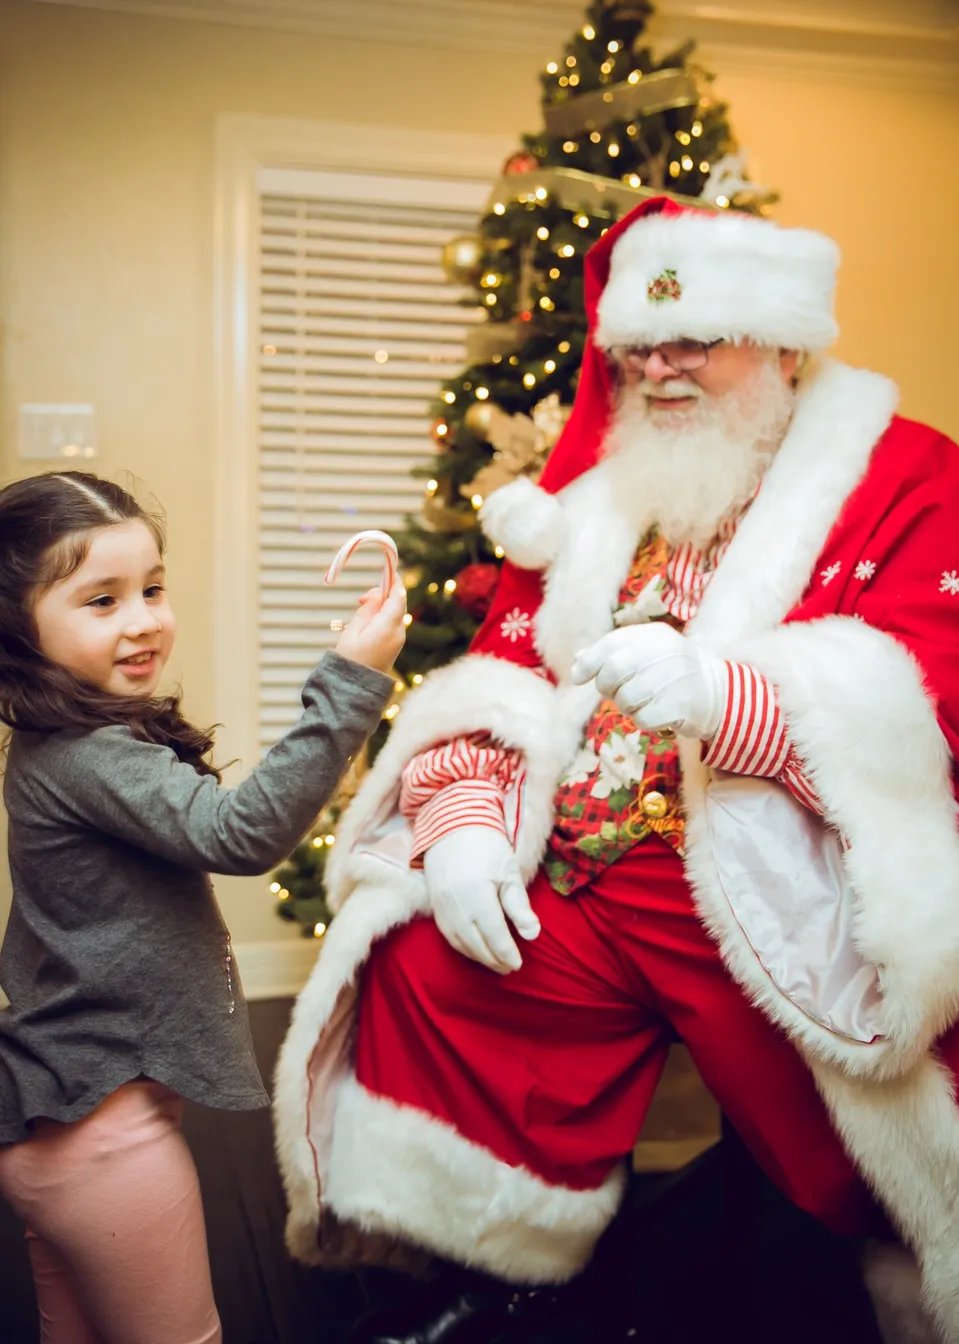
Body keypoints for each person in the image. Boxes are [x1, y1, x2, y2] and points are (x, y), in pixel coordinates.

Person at [274, 196, 959, 1344]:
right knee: (432, 968)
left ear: (784, 342)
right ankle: (500, 1268)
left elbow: (928, 687)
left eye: (698, 338)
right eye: (641, 344)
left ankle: (840, 1281)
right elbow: (499, 670)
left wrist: (728, 698)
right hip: (585, 870)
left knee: (848, 1140)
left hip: (765, 880)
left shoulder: (906, 476)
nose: (663, 367)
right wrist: (467, 823)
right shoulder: (602, 491)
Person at [0, 471, 406, 1344]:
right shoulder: (86, 757)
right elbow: (241, 832)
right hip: (105, 1148)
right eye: (100, 601)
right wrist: (350, 683)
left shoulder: (56, 740)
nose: (143, 619)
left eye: (151, 588)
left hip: (55, 1120)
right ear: (17, 628)